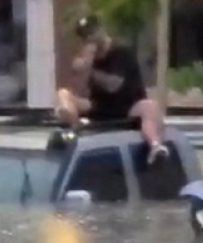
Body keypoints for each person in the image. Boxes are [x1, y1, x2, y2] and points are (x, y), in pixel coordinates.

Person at [56, 15, 169, 164]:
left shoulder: (121, 52)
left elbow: (114, 86)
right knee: (63, 94)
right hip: (100, 107)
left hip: (128, 107)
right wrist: (80, 72)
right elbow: (79, 92)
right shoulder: (89, 58)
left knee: (150, 106)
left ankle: (155, 145)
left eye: (92, 33)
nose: (90, 39)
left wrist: (90, 70)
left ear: (101, 30)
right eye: (86, 36)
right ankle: (75, 129)